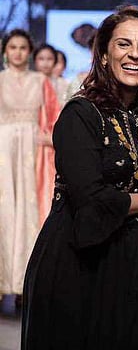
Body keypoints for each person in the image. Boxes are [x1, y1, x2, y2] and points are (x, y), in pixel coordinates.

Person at [21, 5, 138, 350]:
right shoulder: (79, 114)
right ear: (103, 54)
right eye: (124, 44)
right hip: (76, 261)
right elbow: (91, 197)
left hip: (130, 258)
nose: (135, 54)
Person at [0, 29, 59, 312]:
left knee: (30, 214)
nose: (18, 52)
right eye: (13, 47)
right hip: (3, 153)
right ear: (5, 51)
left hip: (34, 156)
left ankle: (26, 285)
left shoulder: (41, 81)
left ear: (30, 52)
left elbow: (55, 118)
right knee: (5, 213)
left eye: (23, 47)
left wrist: (48, 139)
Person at [33, 43, 63, 225]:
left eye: (49, 59)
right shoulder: (30, 84)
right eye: (41, 59)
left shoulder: (63, 86)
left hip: (54, 145)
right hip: (32, 144)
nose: (45, 63)